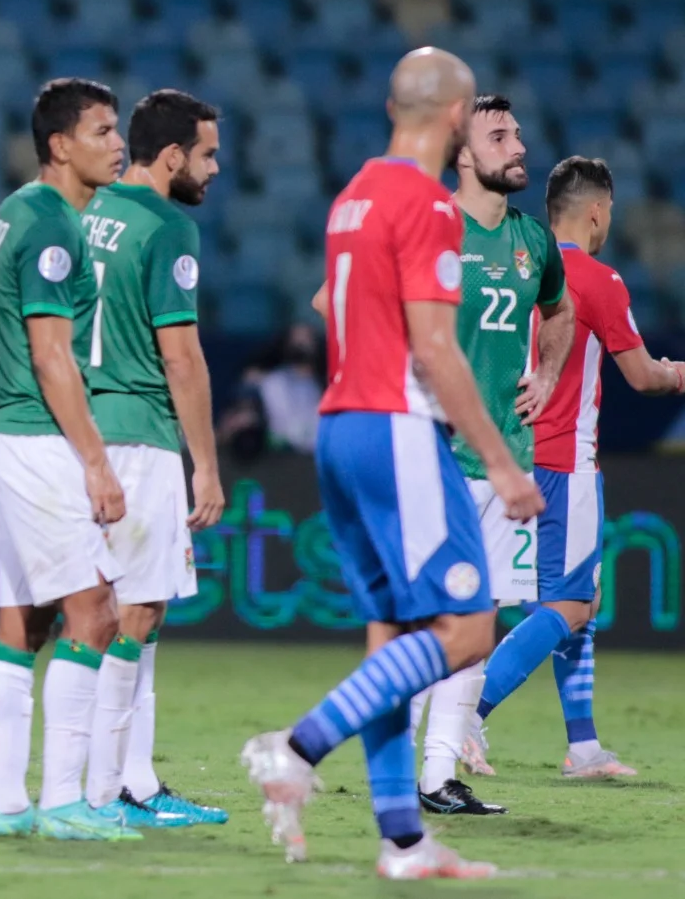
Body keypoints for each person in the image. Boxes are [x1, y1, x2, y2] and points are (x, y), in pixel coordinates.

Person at [243, 48, 543, 880]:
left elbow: (334, 310)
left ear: (390, 105)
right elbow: (437, 347)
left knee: (392, 641)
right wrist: (502, 465)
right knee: (467, 628)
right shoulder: (429, 204)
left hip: (341, 424)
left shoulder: (354, 196)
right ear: (456, 120)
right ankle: (296, 747)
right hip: (397, 426)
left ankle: (402, 840)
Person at [471, 157, 685, 776]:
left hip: (510, 455)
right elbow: (643, 377)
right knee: (568, 604)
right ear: (596, 210)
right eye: (610, 210)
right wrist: (679, 373)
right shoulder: (597, 279)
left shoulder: (516, 267)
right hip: (567, 461)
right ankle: (467, 719)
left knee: (580, 596)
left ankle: (584, 745)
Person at [407, 95, 574, 814]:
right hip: (435, 456)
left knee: (475, 630)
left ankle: (438, 775)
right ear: (463, 152)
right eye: (499, 135)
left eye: (519, 133)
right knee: (430, 626)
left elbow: (560, 311)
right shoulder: (427, 226)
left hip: (508, 457)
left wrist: (547, 372)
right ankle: (382, 756)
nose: (519, 145)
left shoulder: (534, 241)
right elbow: (338, 302)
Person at [0, 78, 134, 841]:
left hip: (8, 433)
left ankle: (7, 803)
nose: (118, 143)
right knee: (95, 611)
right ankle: (65, 799)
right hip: (37, 439)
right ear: (59, 145)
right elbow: (51, 355)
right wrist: (97, 462)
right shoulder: (51, 225)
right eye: (102, 130)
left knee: (22, 619)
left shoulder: (19, 211)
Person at [78, 89, 226, 827]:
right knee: (136, 613)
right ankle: (111, 789)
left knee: (121, 609)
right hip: (138, 433)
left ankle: (130, 776)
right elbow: (183, 357)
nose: (216, 167)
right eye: (206, 154)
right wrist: (205, 460)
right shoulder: (168, 227)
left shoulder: (87, 209)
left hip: (79, 432)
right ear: (172, 157)